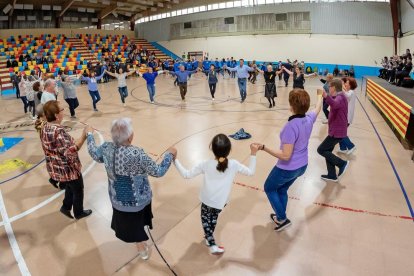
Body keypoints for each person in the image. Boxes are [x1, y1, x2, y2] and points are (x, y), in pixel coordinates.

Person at [86, 118, 176, 260]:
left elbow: (93, 153)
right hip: (139, 200)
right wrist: (169, 156)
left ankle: (140, 242)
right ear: (130, 136)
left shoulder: (106, 148)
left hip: (118, 199)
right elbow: (158, 171)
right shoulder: (137, 154)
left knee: (132, 223)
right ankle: (141, 247)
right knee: (136, 224)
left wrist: (89, 135)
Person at [174, 134, 258, 254]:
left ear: (211, 148)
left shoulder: (205, 164)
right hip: (221, 201)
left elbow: (186, 174)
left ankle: (212, 243)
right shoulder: (233, 164)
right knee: (213, 218)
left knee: (205, 220)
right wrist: (253, 153)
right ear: (229, 150)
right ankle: (209, 239)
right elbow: (251, 172)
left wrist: (175, 160)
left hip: (207, 200)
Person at [256, 89, 322, 231]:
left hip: (288, 168)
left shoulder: (290, 127)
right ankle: (281, 216)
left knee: (269, 187)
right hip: (302, 165)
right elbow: (318, 108)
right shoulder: (309, 119)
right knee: (282, 189)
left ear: (292, 106)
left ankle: (282, 218)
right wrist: (320, 95)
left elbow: (286, 155)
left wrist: (263, 147)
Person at [40, 100, 92, 219]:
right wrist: (84, 135)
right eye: (62, 110)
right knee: (78, 189)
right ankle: (79, 213)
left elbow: (58, 146)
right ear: (57, 115)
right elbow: (70, 151)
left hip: (56, 167)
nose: (64, 111)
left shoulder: (45, 127)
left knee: (69, 186)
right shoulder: (58, 131)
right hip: (68, 168)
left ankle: (65, 207)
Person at [317, 79, 350, 182]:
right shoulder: (338, 96)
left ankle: (342, 163)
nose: (328, 88)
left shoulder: (340, 98)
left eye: (330, 87)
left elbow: (335, 104)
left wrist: (325, 95)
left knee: (321, 150)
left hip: (337, 132)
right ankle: (332, 174)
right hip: (335, 131)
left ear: (334, 88)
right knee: (328, 151)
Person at [338, 77, 357, 154]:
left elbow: (346, 95)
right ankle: (343, 148)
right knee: (340, 132)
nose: (345, 84)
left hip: (346, 117)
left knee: (340, 132)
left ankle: (351, 146)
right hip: (344, 116)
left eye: (347, 83)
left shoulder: (351, 92)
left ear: (350, 85)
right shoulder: (349, 91)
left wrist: (341, 86)